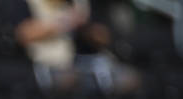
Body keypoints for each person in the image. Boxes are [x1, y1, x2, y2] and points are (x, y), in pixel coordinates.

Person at [12, 0, 140, 94]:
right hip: (47, 64)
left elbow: (105, 36)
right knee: (70, 78)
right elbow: (23, 34)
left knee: (130, 79)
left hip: (86, 61)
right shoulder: (31, 3)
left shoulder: (80, 4)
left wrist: (83, 26)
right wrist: (62, 23)